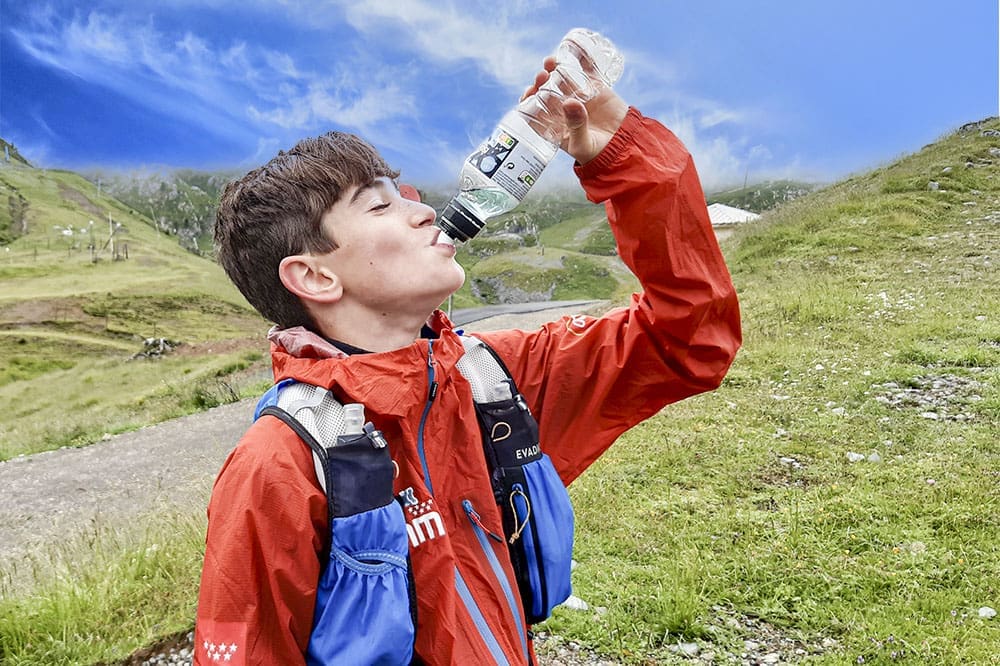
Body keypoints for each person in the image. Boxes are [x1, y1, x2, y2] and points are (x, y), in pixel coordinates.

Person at [195, 53, 741, 665]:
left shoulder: (492, 382)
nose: (425, 210)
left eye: (408, 196)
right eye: (380, 207)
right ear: (314, 277)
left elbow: (688, 339)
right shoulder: (279, 465)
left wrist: (622, 157)